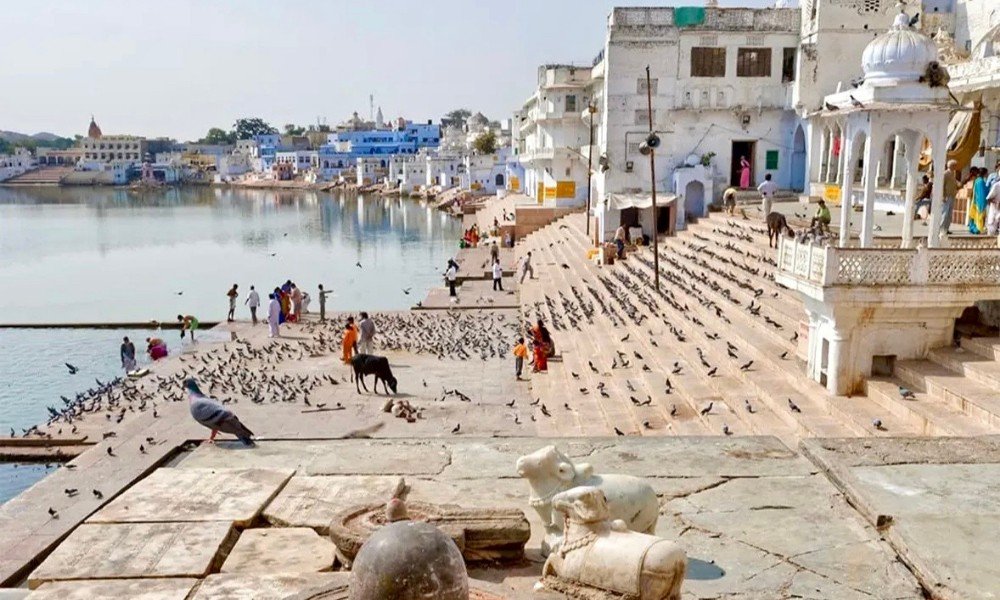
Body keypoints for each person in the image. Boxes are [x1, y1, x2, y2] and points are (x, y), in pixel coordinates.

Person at [941, 160, 959, 235]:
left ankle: (946, 228)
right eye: (955, 165)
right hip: (947, 196)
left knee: (949, 214)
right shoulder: (946, 174)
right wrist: (943, 196)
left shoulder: (953, 174)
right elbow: (942, 185)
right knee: (945, 213)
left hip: (952, 195)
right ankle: (941, 229)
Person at [969, 168, 988, 234]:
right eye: (987, 173)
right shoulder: (981, 181)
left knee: (974, 215)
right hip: (979, 203)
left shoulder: (977, 180)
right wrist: (983, 204)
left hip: (975, 201)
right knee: (978, 215)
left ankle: (974, 228)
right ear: (985, 173)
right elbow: (981, 194)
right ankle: (978, 229)